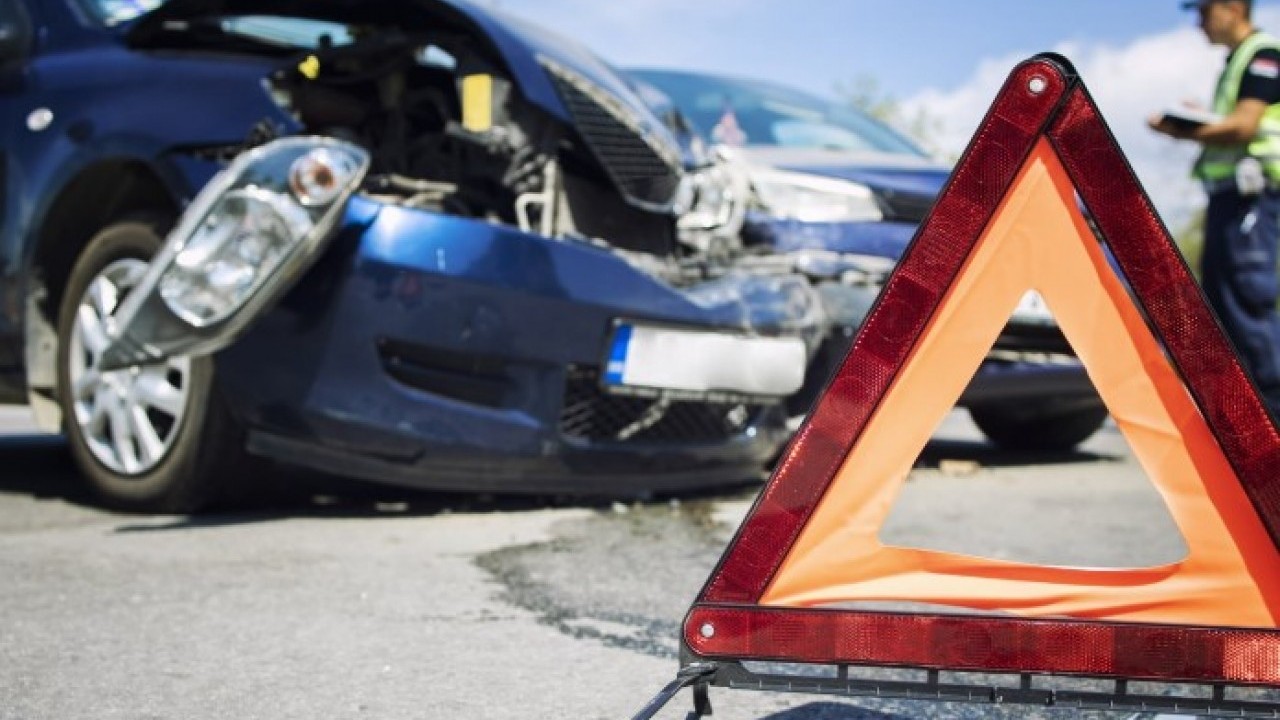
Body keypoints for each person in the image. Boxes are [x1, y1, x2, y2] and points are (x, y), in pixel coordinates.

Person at [1149, 0, 1280, 420]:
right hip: (1232, 200)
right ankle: (1245, 417)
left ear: (1232, 7)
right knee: (1225, 306)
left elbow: (1244, 125)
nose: (1199, 22)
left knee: (1247, 302)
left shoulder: (1262, 56)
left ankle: (1271, 418)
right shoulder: (1236, 62)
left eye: (1203, 11)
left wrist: (1183, 128)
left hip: (1252, 199)